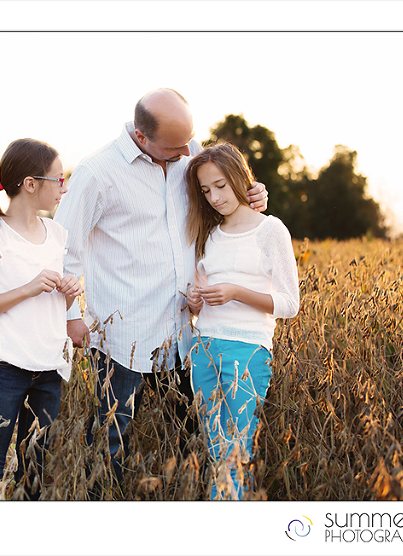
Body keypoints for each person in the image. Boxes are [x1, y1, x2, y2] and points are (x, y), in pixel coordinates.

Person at [53, 89, 268, 487]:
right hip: (123, 337)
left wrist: (251, 196)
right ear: (141, 136)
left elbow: (221, 200)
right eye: (174, 147)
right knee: (110, 440)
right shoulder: (97, 173)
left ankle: (187, 499)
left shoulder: (189, 153)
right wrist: (70, 316)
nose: (187, 151)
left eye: (189, 140)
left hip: (185, 332)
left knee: (194, 436)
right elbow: (64, 250)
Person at [0, 138, 83, 500]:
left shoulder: (57, 234)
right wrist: (27, 289)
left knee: (36, 469)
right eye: (58, 179)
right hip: (6, 368)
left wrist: (70, 292)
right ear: (30, 184)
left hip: (50, 368)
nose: (64, 188)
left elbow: (55, 309)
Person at [184, 142, 299, 500]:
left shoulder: (271, 230)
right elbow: (199, 300)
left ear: (239, 177)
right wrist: (194, 302)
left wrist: (236, 292)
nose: (215, 197)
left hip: (248, 350)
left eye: (220, 185)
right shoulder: (209, 235)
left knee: (236, 447)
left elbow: (289, 304)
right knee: (216, 448)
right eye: (206, 191)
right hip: (203, 348)